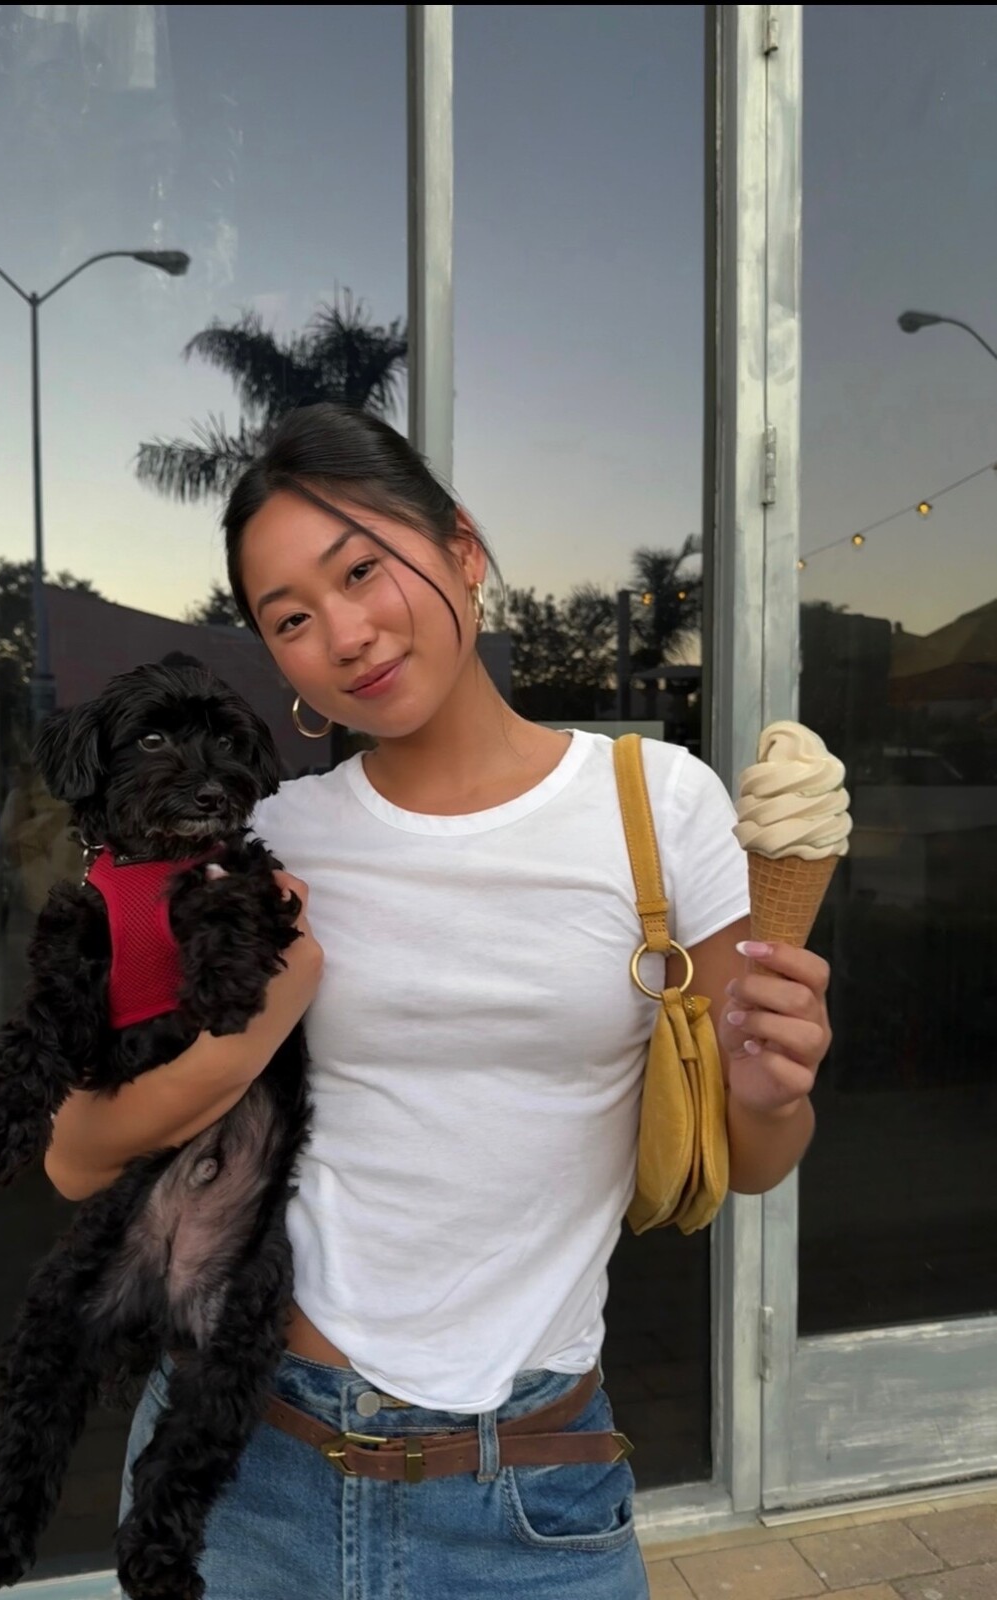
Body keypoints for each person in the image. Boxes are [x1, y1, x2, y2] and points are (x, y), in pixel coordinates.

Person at [45, 403, 833, 1600]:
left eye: (362, 569)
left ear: (461, 548)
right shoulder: (265, 840)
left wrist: (773, 1090)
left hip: (527, 1487)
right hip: (241, 1463)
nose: (345, 633)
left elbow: (757, 1159)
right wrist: (263, 1022)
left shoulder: (658, 806)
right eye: (290, 618)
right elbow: (73, 1153)